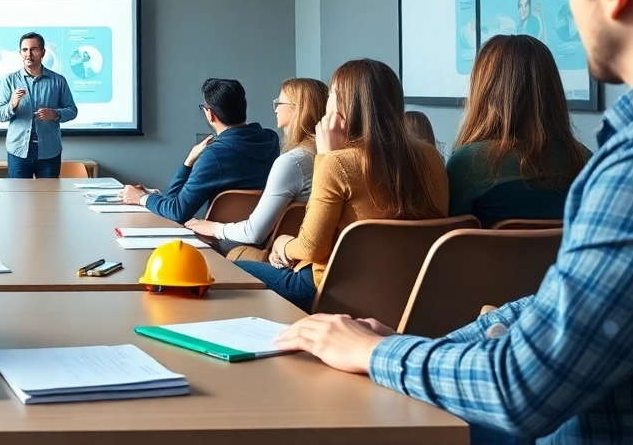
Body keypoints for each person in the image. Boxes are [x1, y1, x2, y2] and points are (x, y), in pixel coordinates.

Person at [276, 0, 633, 445]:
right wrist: (416, 345)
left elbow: (522, 390)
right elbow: (555, 307)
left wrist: (372, 355)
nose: (573, 10)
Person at [236, 60, 448, 311]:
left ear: (342, 105)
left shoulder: (337, 163)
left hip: (333, 294)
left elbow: (311, 248)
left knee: (233, 269)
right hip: (411, 292)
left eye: (331, 94)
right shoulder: (431, 157)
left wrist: (282, 242)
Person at [445, 35, 591, 228]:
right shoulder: (584, 160)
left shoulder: (467, 164)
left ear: (484, 92)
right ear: (552, 90)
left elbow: (449, 243)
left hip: (489, 259)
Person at [186, 77, 328, 249]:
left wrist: (213, 227)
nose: (275, 110)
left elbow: (253, 233)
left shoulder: (292, 161)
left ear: (297, 109)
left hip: (283, 256)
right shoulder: (324, 155)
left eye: (279, 103)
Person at [118, 78, 279, 224]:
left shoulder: (215, 156)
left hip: (219, 242)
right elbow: (174, 202)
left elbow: (177, 211)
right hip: (263, 236)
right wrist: (189, 161)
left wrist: (141, 198)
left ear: (210, 114)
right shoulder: (271, 140)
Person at [0, 32, 77, 178]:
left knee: (48, 198)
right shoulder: (10, 80)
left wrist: (56, 114)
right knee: (17, 198)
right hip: (18, 151)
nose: (28, 54)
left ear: (43, 52)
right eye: (24, 50)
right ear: (20, 53)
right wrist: (12, 105)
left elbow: (72, 110)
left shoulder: (58, 81)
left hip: (49, 151)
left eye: (34, 49)